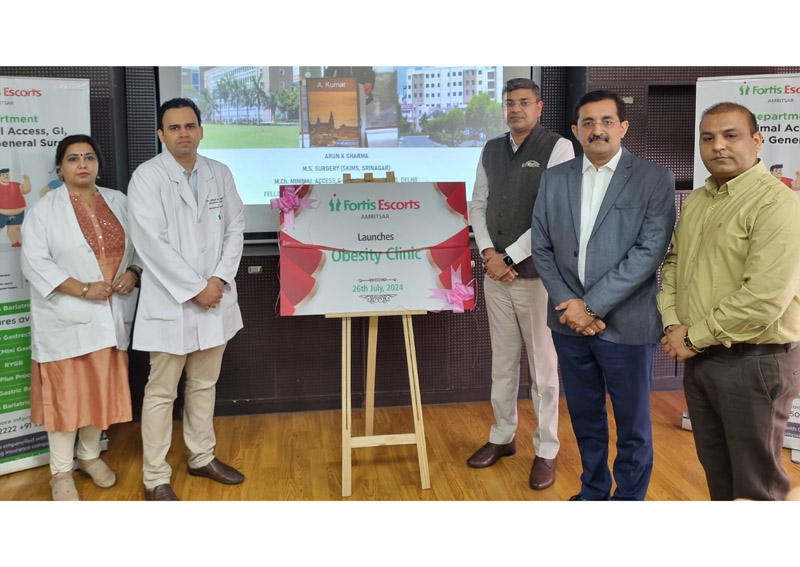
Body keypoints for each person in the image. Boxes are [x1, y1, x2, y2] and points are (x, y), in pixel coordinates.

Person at [532, 90, 675, 500]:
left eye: (607, 121)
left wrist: (591, 306)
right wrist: (571, 306)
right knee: (585, 417)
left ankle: (628, 501)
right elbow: (542, 247)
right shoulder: (554, 178)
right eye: (588, 123)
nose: (598, 130)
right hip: (568, 325)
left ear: (623, 127)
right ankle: (593, 492)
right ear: (576, 131)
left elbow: (650, 251)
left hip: (626, 326)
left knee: (633, 425)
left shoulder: (654, 178)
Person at [657, 102, 800, 501]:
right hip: (702, 358)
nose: (718, 145)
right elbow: (674, 264)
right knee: (717, 474)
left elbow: (764, 299)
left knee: (756, 487)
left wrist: (691, 337)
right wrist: (672, 323)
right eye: (708, 138)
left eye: (730, 135)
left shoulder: (778, 204)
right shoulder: (699, 200)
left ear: (757, 140)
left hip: (754, 363)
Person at [128, 98, 245, 501]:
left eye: (190, 126)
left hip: (215, 296)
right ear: (161, 134)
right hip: (172, 302)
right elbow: (151, 242)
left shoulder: (219, 172)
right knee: (162, 392)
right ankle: (155, 476)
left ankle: (201, 456)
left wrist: (218, 279)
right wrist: (196, 288)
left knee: (204, 384)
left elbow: (235, 229)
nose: (183, 134)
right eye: (174, 127)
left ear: (201, 130)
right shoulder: (147, 177)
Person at [466, 78, 574, 490]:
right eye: (509, 102)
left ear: (539, 107)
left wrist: (508, 257)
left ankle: (546, 448)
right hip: (496, 276)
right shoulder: (491, 148)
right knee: (503, 363)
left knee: (543, 371)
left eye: (524, 102)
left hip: (537, 279)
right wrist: (488, 254)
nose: (515, 109)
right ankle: (502, 436)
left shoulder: (559, 148)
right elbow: (478, 204)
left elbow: (552, 211)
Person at [20, 135, 141, 501]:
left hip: (111, 314)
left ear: (98, 164)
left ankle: (88, 456)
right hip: (66, 319)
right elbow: (34, 264)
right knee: (66, 399)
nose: (82, 164)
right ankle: (60, 472)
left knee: (99, 393)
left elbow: (141, 247)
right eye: (73, 159)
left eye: (89, 157)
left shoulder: (119, 201)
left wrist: (133, 272)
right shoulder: (44, 210)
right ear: (60, 167)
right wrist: (84, 289)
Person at [0, 167, 31, 247]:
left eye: (7, 174)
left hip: (18, 213)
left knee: (15, 228)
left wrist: (26, 180)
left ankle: (15, 242)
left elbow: (26, 190)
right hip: (1, 213)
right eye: (3, 175)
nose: (6, 176)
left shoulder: (16, 184)